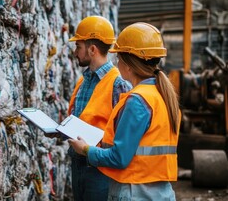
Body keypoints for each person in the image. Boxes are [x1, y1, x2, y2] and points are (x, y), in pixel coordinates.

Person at [68, 22, 181, 200]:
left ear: (128, 65)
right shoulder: (162, 96)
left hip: (134, 192)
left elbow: (119, 158)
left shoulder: (138, 101)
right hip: (159, 192)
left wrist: (86, 150)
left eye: (119, 59)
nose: (117, 64)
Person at [65, 16, 132, 201]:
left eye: (78, 46)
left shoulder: (118, 83)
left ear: (92, 49)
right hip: (78, 164)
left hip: (99, 169)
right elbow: (79, 118)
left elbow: (123, 134)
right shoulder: (83, 81)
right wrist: (60, 131)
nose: (75, 52)